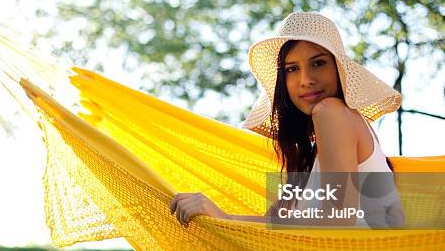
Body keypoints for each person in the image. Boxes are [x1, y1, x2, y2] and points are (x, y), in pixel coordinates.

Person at [170, 12, 405, 228]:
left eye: (318, 63)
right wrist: (218, 215)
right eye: (292, 69)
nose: (306, 79)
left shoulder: (331, 112)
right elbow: (272, 223)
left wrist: (223, 218)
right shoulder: (308, 158)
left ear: (338, 69)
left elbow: (338, 221)